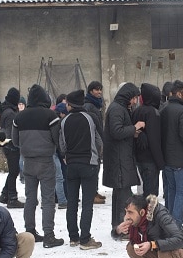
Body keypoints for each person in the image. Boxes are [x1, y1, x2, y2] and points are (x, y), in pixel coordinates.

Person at [12, 84, 64, 248]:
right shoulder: (50, 115)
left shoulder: (19, 117)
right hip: (46, 161)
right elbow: (58, 139)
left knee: (30, 199)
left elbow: (15, 141)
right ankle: (49, 235)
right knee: (48, 200)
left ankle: (30, 232)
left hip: (28, 162)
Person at [59, 90, 103, 249]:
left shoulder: (64, 121)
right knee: (87, 203)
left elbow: (62, 144)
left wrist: (66, 156)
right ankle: (85, 239)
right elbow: (98, 139)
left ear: (70, 104)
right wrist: (97, 155)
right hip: (89, 163)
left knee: (71, 202)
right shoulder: (90, 118)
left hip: (71, 165)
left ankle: (73, 237)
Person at [102, 82, 144, 240]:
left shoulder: (118, 108)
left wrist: (132, 133)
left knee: (120, 194)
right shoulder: (117, 109)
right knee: (125, 197)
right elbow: (116, 131)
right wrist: (134, 127)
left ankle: (118, 227)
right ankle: (124, 229)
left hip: (120, 158)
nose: (134, 102)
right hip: (119, 160)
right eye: (134, 98)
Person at [160, 80, 183, 228]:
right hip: (180, 159)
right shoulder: (182, 111)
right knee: (181, 192)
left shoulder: (165, 109)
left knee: (171, 192)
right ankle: (176, 226)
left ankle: (169, 224)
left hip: (168, 158)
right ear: (178, 93)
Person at [131, 83, 165, 198]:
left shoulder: (136, 111)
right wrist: (160, 162)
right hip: (150, 159)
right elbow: (154, 140)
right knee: (151, 194)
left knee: (145, 190)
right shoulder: (153, 113)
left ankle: (143, 214)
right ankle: (149, 215)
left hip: (140, 158)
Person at [0, 87, 25, 208]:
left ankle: (5, 194)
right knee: (14, 171)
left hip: (8, 144)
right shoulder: (10, 113)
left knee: (13, 171)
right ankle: (12, 198)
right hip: (11, 146)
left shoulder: (6, 109)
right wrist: (15, 144)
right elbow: (11, 131)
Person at [83, 81, 106, 204]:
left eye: (100, 90)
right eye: (97, 90)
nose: (99, 92)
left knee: (96, 167)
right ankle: (91, 194)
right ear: (91, 91)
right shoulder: (88, 106)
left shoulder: (97, 104)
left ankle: (94, 191)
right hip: (92, 141)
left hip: (97, 140)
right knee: (93, 167)